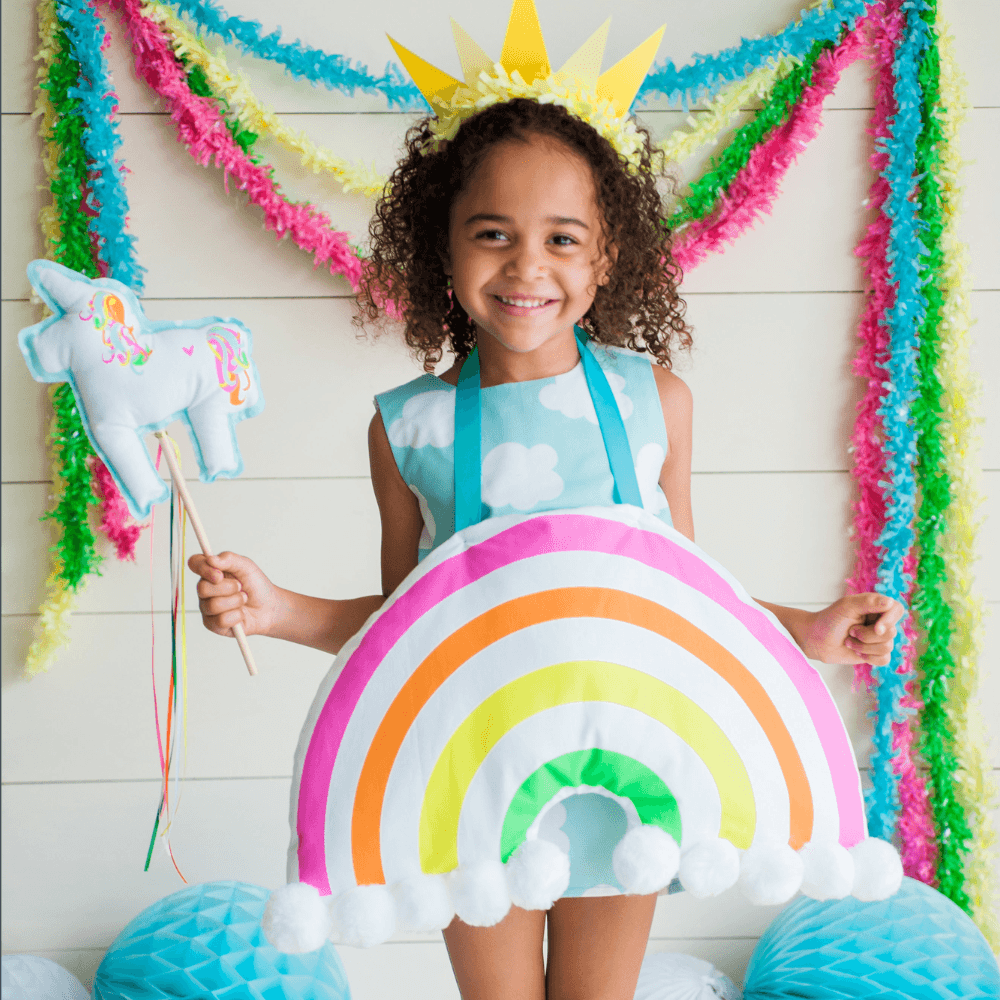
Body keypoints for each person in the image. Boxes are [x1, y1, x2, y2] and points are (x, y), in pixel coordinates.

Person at [190, 95, 903, 999]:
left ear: (607, 256)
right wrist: (280, 610)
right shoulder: (410, 428)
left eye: (563, 238)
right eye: (492, 233)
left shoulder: (657, 404)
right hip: (474, 766)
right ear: (442, 248)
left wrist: (810, 628)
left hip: (627, 767)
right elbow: (409, 637)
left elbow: (686, 606)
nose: (528, 264)